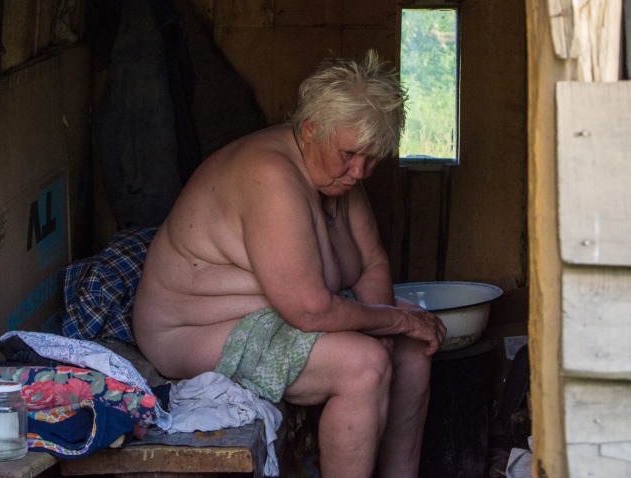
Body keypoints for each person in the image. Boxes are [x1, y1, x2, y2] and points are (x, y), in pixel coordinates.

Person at [132, 50, 447, 478]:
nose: (360, 171)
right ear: (311, 129)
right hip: (198, 330)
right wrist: (392, 323)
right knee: (362, 366)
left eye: (372, 158)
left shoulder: (336, 174)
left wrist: (392, 328)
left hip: (279, 313)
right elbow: (310, 310)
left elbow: (372, 263)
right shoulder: (271, 177)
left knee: (411, 347)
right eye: (351, 154)